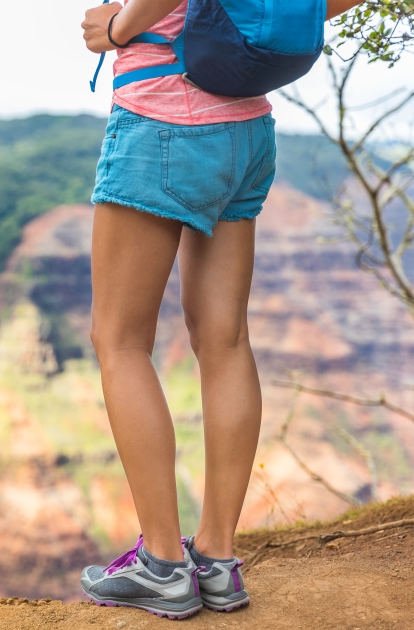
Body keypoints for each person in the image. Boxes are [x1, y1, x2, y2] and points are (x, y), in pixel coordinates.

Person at [79, 0, 365, 619]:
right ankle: (217, 559)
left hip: (163, 117)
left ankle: (161, 564)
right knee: (224, 338)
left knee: (120, 339)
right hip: (246, 126)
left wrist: (119, 26)